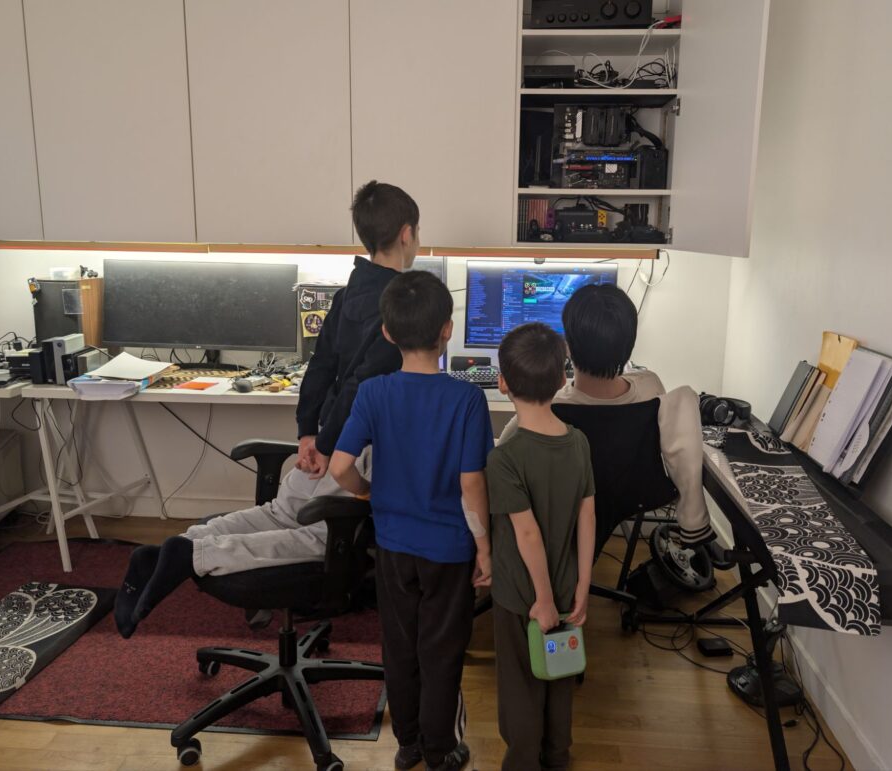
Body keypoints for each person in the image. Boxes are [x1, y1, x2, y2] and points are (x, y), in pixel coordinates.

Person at [114, 180, 420, 639]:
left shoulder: (347, 295)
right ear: (407, 234)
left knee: (280, 513)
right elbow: (362, 387)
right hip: (354, 448)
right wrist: (329, 447)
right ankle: (195, 555)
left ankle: (177, 546)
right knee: (318, 538)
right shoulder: (401, 304)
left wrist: (308, 433)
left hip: (325, 437)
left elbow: (321, 367)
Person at [329, 270, 492, 771]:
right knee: (442, 650)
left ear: (387, 332)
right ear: (447, 330)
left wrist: (366, 491)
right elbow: (471, 484)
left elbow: (339, 467)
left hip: (394, 546)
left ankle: (408, 744)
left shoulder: (373, 392)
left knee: (400, 646)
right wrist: (485, 548)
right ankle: (441, 749)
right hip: (448, 550)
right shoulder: (467, 399)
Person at [497, 283, 714, 547]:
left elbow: (502, 454)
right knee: (685, 395)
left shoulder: (549, 407)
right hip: (637, 495)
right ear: (629, 346)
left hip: (568, 503)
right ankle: (694, 519)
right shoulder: (651, 386)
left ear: (567, 347)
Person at [486, 322, 596, 771]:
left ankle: (522, 761)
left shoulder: (504, 458)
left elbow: (527, 534)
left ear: (502, 383)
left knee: (521, 683)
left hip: (521, 595)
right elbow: (587, 516)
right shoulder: (578, 442)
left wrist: (543, 599)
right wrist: (583, 584)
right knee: (560, 673)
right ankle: (556, 755)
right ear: (562, 379)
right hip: (567, 586)